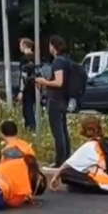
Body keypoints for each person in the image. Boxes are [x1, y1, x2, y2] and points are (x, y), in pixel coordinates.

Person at [49, 117, 108, 195]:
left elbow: (67, 164)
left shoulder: (89, 146)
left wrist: (55, 177)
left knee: (66, 172)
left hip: (107, 186)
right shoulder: (105, 143)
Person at [35, 35, 72, 166]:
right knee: (63, 130)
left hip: (56, 100)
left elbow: (58, 82)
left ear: (53, 46)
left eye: (50, 45)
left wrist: (43, 81)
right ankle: (67, 158)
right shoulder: (67, 60)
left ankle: (60, 160)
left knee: (58, 132)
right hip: (64, 99)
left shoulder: (58, 62)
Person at [16, 38, 38, 131]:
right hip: (35, 86)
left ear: (24, 45)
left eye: (21, 45)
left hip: (27, 87)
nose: (19, 47)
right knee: (31, 108)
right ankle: (33, 126)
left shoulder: (24, 59)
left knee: (27, 109)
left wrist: (21, 91)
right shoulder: (36, 58)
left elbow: (23, 76)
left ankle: (30, 127)